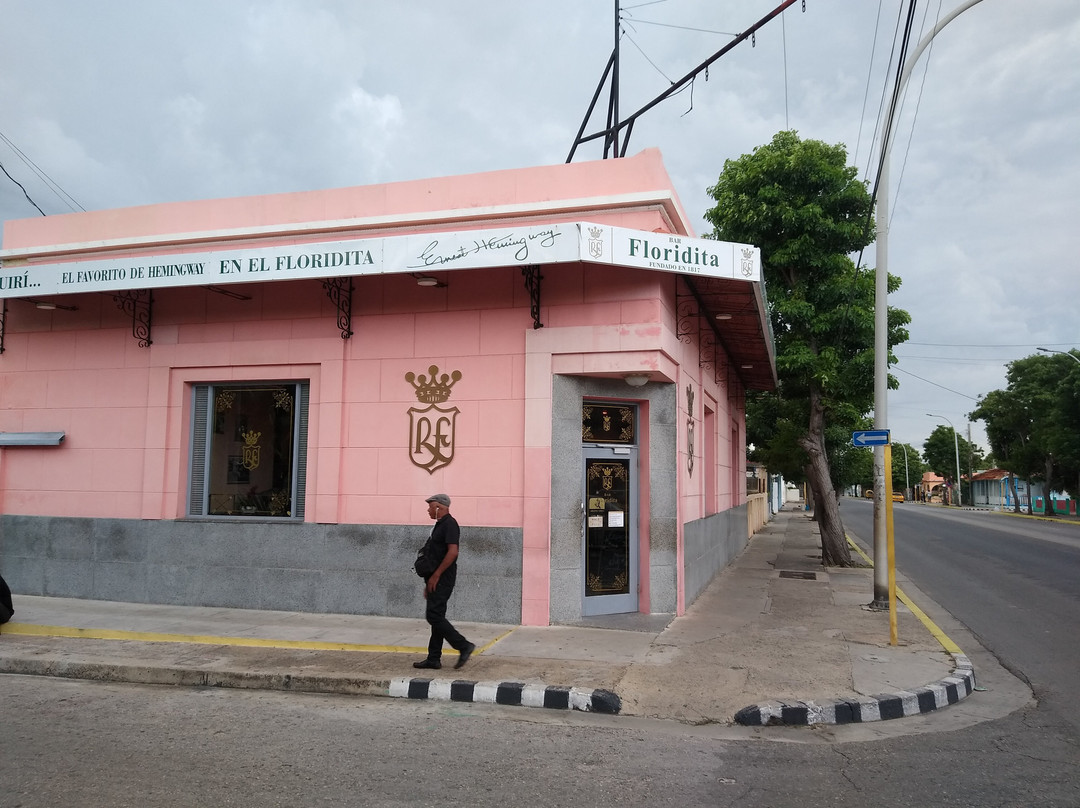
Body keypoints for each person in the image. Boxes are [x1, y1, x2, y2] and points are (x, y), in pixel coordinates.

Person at [413, 493, 475, 671]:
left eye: (431, 506)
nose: (428, 510)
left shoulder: (450, 524)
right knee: (437, 616)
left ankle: (463, 646)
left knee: (434, 616)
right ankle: (433, 658)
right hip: (435, 579)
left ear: (439, 507)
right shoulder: (439, 526)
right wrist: (429, 579)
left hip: (443, 578)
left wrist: (436, 575)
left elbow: (453, 552)